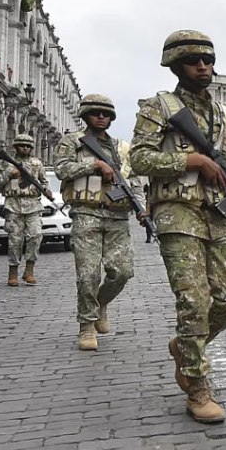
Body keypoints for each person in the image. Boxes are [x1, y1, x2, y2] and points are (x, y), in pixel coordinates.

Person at [130, 29, 226, 424]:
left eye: (208, 60)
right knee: (193, 302)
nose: (203, 67)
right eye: (195, 61)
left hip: (220, 215)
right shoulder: (157, 107)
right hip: (177, 213)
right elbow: (140, 160)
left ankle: (185, 345)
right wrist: (192, 162)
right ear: (176, 65)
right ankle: (197, 385)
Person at [54, 94, 147, 351]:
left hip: (118, 216)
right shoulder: (73, 141)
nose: (101, 117)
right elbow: (62, 169)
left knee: (123, 271)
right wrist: (94, 165)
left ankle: (100, 302)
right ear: (86, 115)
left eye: (106, 114)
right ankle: (86, 325)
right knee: (88, 274)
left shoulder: (121, 148)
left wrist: (141, 208)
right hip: (86, 213)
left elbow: (134, 181)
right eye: (96, 113)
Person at [0, 134, 52, 286]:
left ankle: (29, 270)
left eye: (28, 146)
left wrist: (46, 190)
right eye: (22, 145)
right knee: (15, 241)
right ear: (16, 147)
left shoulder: (36, 164)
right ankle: (13, 273)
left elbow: (44, 181)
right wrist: (10, 174)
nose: (25, 148)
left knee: (36, 236)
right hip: (14, 205)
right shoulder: (6, 164)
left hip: (33, 205)